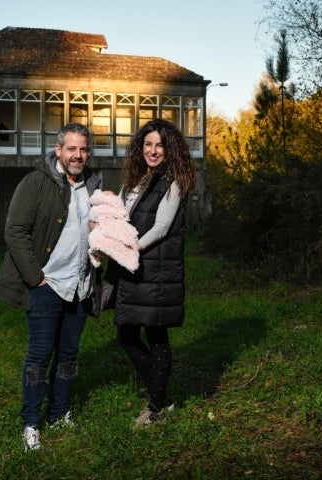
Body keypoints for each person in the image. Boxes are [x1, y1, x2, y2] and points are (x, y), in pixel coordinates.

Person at [0, 122, 101, 451]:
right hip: (48, 285)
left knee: (68, 355)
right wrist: (35, 278)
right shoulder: (36, 182)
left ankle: (59, 413)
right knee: (39, 357)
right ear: (58, 150)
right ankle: (30, 423)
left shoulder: (94, 184)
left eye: (83, 149)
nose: (78, 155)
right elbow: (14, 231)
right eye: (72, 149)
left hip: (81, 287)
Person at [106, 118, 196, 427]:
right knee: (127, 333)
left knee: (155, 334)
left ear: (170, 149)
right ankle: (163, 396)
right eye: (148, 144)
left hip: (155, 269)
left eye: (159, 145)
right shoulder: (138, 178)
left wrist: (130, 249)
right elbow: (119, 213)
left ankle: (156, 407)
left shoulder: (172, 181)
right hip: (135, 268)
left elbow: (160, 228)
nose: (153, 151)